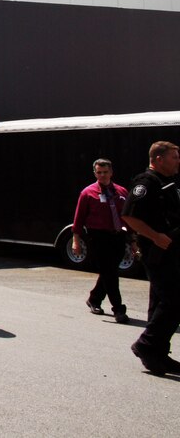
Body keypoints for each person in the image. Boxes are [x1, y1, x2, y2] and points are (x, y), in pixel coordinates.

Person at [122, 141, 180, 376]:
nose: (178, 161)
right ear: (158, 159)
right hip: (158, 252)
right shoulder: (146, 182)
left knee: (160, 303)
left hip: (172, 251)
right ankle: (146, 345)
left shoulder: (169, 182)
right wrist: (155, 237)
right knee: (174, 301)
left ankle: (158, 353)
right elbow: (130, 216)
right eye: (174, 157)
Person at [71, 158, 131, 322]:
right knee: (110, 271)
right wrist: (76, 241)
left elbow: (127, 217)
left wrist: (133, 240)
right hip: (98, 237)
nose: (102, 175)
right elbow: (78, 219)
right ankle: (118, 309)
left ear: (111, 172)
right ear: (95, 173)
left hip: (118, 235)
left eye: (105, 172)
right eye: (99, 172)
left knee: (109, 271)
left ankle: (94, 299)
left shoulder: (122, 192)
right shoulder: (88, 193)